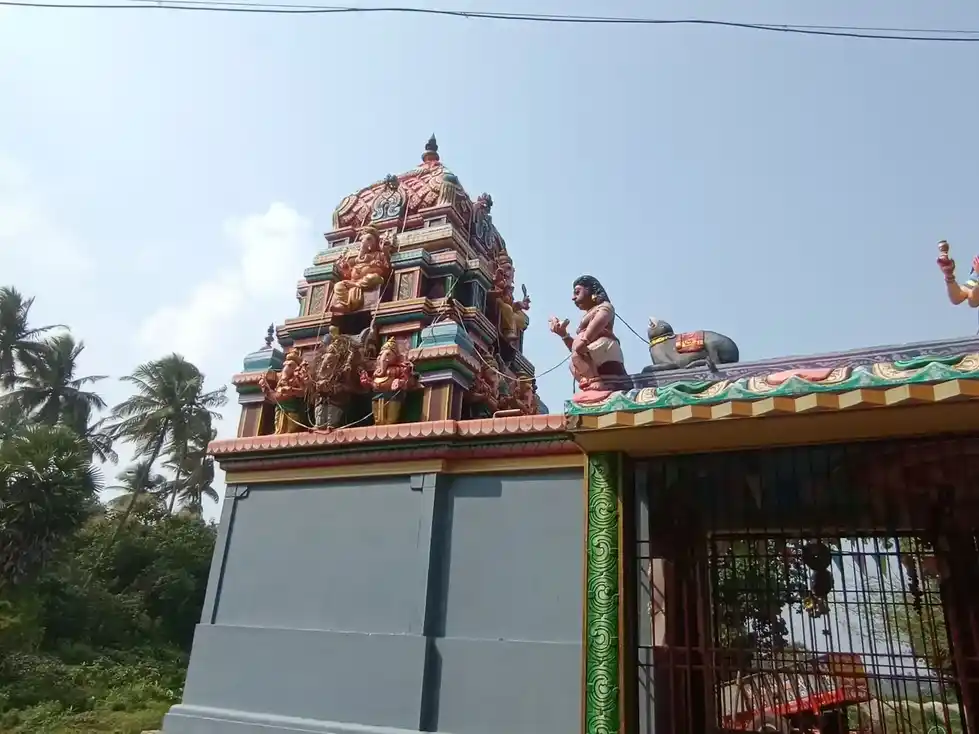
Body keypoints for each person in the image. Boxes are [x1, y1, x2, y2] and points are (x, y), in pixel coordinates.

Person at [548, 275, 627, 391]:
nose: (573, 298)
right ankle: (590, 382)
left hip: (606, 347)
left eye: (577, 292)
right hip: (591, 349)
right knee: (573, 363)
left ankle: (596, 381)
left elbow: (601, 320)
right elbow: (576, 348)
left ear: (591, 290)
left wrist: (585, 340)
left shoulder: (605, 307)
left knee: (577, 355)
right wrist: (563, 334)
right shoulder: (587, 315)